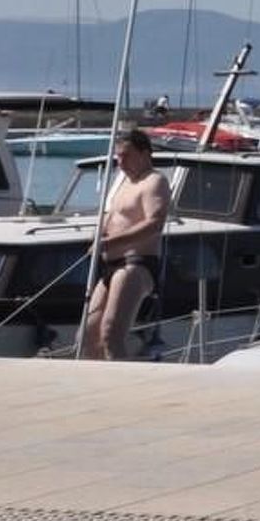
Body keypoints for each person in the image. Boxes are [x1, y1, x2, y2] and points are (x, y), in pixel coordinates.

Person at [80, 129, 170, 361]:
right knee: (87, 334)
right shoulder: (124, 183)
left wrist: (109, 242)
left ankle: (121, 386)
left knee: (111, 333)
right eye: (118, 157)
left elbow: (154, 224)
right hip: (110, 264)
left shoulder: (155, 181)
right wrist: (99, 235)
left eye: (126, 156)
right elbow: (114, 217)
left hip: (135, 264)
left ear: (144, 153)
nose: (120, 162)